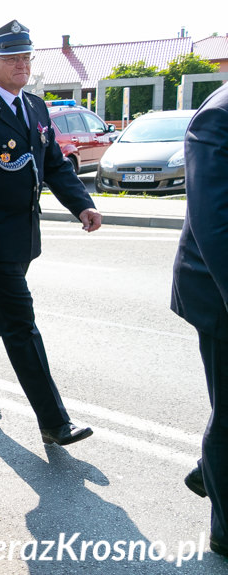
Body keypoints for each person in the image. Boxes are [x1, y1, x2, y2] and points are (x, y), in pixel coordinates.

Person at [0, 20, 102, 445]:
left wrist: (81, 204)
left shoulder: (35, 106)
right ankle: (53, 421)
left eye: (26, 57)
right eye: (12, 58)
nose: (21, 65)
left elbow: (53, 165)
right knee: (20, 324)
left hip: (24, 236)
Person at [170, 81, 228, 558]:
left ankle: (212, 472)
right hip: (217, 289)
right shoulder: (218, 116)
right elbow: (216, 225)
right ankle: (225, 532)